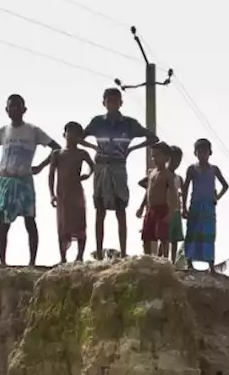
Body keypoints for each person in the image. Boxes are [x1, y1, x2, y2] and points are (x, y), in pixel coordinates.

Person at [0, 94, 60, 266]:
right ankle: (2, 262)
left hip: (25, 180)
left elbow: (56, 148)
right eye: (11, 107)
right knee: (4, 222)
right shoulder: (2, 132)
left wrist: (40, 166)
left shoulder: (33, 131)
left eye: (18, 106)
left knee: (30, 220)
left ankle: (32, 262)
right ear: (6, 110)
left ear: (24, 109)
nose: (15, 109)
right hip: (7, 181)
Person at [82, 87, 158, 259]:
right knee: (100, 209)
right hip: (101, 166)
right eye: (109, 101)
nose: (112, 104)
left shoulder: (129, 123)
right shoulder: (97, 122)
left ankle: (123, 253)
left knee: (120, 208)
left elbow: (153, 138)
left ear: (121, 103)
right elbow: (79, 136)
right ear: (104, 103)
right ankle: (100, 252)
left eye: (116, 101)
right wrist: (93, 146)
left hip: (118, 166)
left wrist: (132, 148)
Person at [44, 121, 95, 263]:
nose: (71, 136)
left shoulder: (82, 153)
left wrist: (87, 174)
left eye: (75, 134)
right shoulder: (57, 153)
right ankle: (63, 258)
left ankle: (79, 256)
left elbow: (93, 166)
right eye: (69, 133)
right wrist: (52, 194)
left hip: (76, 193)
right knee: (62, 225)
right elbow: (51, 175)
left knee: (80, 224)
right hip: (62, 194)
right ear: (64, 135)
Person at [182, 138, 229, 271]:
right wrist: (183, 207)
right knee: (192, 233)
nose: (203, 154)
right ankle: (189, 262)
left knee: (209, 234)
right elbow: (185, 188)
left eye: (205, 151)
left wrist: (216, 197)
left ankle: (210, 265)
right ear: (195, 153)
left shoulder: (214, 169)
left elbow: (225, 185)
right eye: (200, 151)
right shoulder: (192, 169)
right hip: (195, 205)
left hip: (209, 207)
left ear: (210, 153)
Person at [136, 145, 175, 256]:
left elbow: (173, 194)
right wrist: (141, 207)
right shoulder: (152, 173)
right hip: (150, 209)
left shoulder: (168, 175)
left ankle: (165, 259)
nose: (154, 159)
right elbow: (148, 192)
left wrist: (171, 212)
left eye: (157, 156)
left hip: (162, 208)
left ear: (166, 158)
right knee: (146, 236)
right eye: (153, 156)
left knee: (163, 237)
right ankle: (147, 258)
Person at [165, 146, 185, 260]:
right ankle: (162, 260)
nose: (176, 163)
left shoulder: (178, 178)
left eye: (179, 160)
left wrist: (184, 208)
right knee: (165, 238)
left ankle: (172, 262)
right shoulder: (162, 174)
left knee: (175, 239)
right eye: (174, 159)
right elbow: (145, 183)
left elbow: (183, 192)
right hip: (165, 210)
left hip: (176, 210)